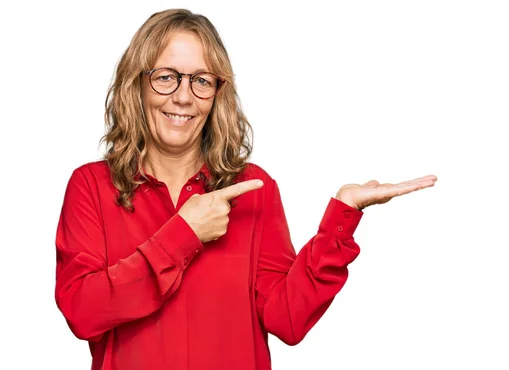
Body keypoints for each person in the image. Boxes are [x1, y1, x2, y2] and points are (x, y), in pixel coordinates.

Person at [54, 8, 437, 370]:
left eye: (201, 80)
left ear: (218, 93)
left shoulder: (253, 187)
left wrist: (341, 218)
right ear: (137, 83)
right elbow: (83, 313)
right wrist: (183, 235)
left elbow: (287, 317)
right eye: (166, 76)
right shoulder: (91, 186)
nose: (183, 97)